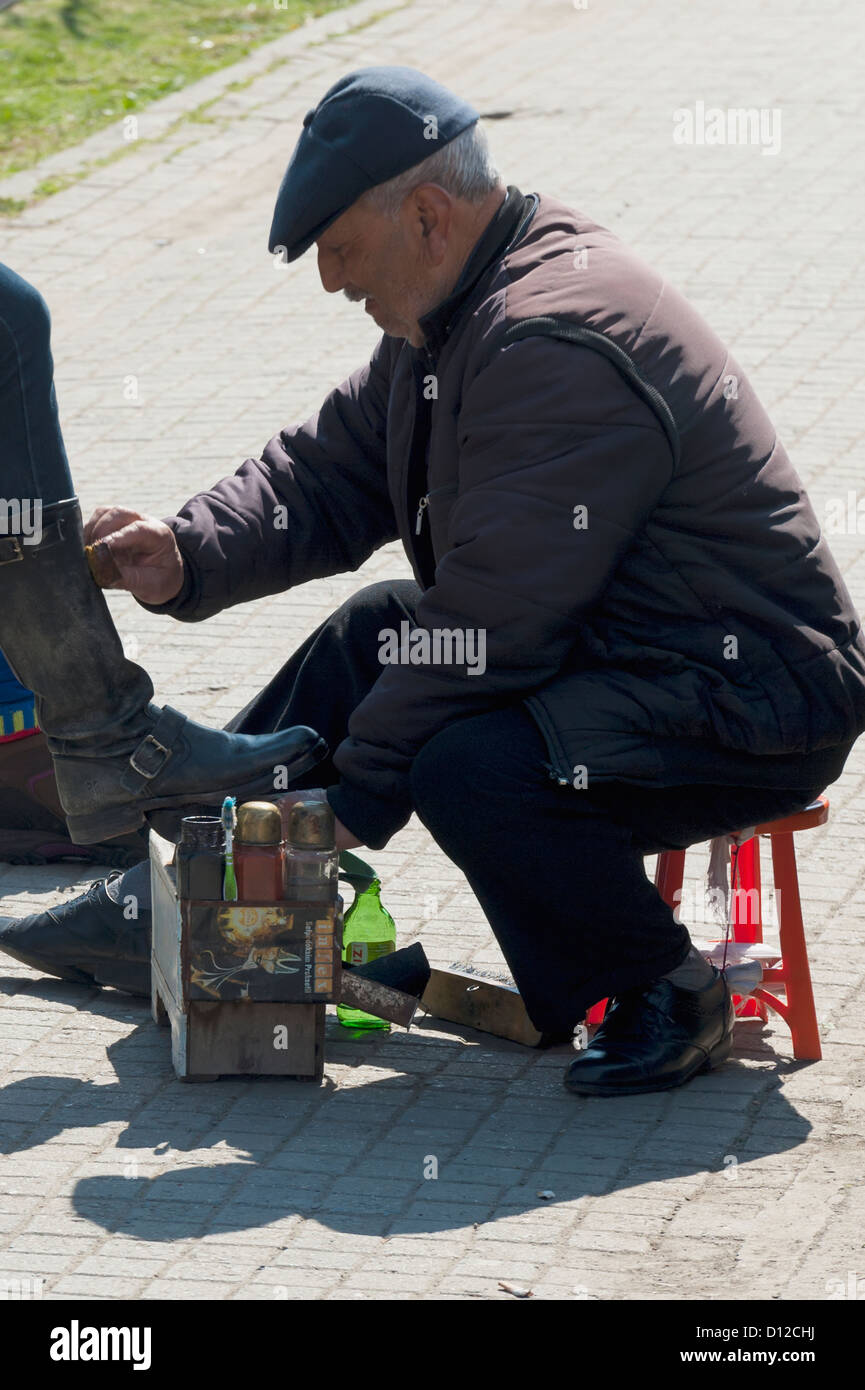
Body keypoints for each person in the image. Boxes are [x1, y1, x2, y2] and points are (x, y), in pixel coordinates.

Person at [3, 67, 864, 1095]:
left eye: (338, 249)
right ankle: (191, 880)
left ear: (424, 214)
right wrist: (186, 548)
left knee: (464, 765)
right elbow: (322, 475)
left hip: (747, 698)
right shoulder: (452, 311)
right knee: (378, 629)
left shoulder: (553, 338)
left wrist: (353, 796)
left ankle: (663, 990)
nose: (330, 281)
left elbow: (496, 620)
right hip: (626, 648)